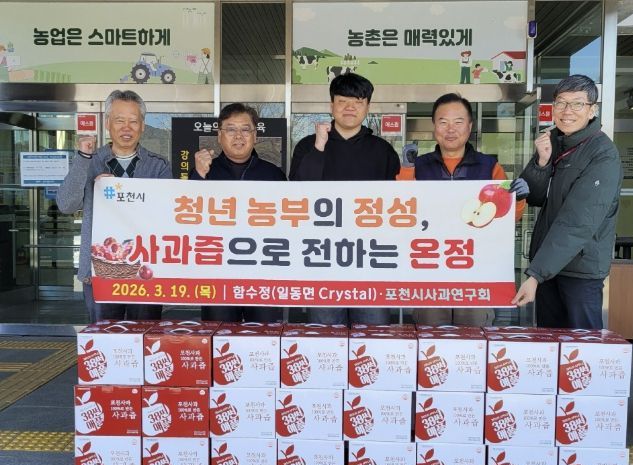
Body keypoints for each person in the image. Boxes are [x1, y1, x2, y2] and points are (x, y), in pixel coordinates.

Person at [511, 74, 624, 329]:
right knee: (552, 343)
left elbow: (578, 222)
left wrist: (535, 274)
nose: (567, 111)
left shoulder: (603, 154)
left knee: (582, 346)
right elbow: (533, 197)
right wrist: (541, 162)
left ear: (592, 110)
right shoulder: (554, 141)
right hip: (548, 266)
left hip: (580, 269)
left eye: (577, 104)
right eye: (561, 103)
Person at [290, 72, 400, 326]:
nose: (350, 108)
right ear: (332, 105)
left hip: (371, 258)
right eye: (342, 101)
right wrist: (320, 146)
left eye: (358, 102)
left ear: (367, 107)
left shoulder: (382, 150)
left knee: (373, 332)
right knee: (325, 333)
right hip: (322, 257)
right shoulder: (308, 146)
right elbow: (298, 194)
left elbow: (398, 202)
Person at [412, 92, 528, 327]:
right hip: (430, 269)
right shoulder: (418, 166)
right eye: (443, 122)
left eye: (458, 122)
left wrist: (519, 199)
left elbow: (507, 219)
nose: (450, 129)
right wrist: (406, 170)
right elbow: (401, 210)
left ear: (470, 126)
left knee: (473, 335)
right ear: (434, 126)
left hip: (477, 270)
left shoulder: (489, 166)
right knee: (431, 334)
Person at [57, 90, 171, 322]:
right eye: (119, 120)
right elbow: (66, 204)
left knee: (144, 333)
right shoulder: (90, 161)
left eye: (133, 121)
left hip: (145, 268)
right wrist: (84, 160)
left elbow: (168, 214)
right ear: (108, 123)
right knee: (104, 335)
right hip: (99, 269)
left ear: (142, 126)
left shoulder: (158, 166)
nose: (126, 127)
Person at [190, 102, 286, 323]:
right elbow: (187, 217)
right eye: (231, 129)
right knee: (219, 334)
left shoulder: (274, 175)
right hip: (217, 273)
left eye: (245, 129)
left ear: (255, 136)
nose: (238, 136)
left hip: (263, 273)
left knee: (265, 335)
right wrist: (198, 176)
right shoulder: (205, 171)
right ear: (219, 135)